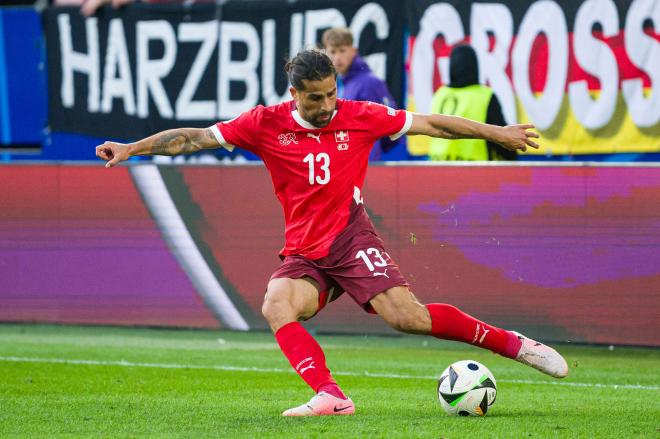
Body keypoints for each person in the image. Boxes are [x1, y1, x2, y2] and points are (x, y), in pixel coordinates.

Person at [96, 49, 567, 417]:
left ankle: (516, 345)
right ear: (294, 92)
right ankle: (331, 396)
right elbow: (194, 137)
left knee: (407, 318)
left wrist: (496, 132)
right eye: (314, 97)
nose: (325, 105)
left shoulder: (360, 115)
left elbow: (431, 124)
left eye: (330, 93)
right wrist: (132, 148)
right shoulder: (264, 124)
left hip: (350, 237)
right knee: (276, 304)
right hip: (305, 249)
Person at [322, 27, 405, 161]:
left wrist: (372, 152)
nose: (337, 57)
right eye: (333, 52)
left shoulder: (371, 83)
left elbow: (394, 128)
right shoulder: (337, 84)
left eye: (342, 51)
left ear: (353, 51)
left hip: (367, 166)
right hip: (345, 166)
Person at [429, 44, 517, 161]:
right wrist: (512, 158)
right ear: (474, 66)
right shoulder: (485, 96)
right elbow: (500, 136)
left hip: (438, 168)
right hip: (476, 171)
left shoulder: (440, 94)